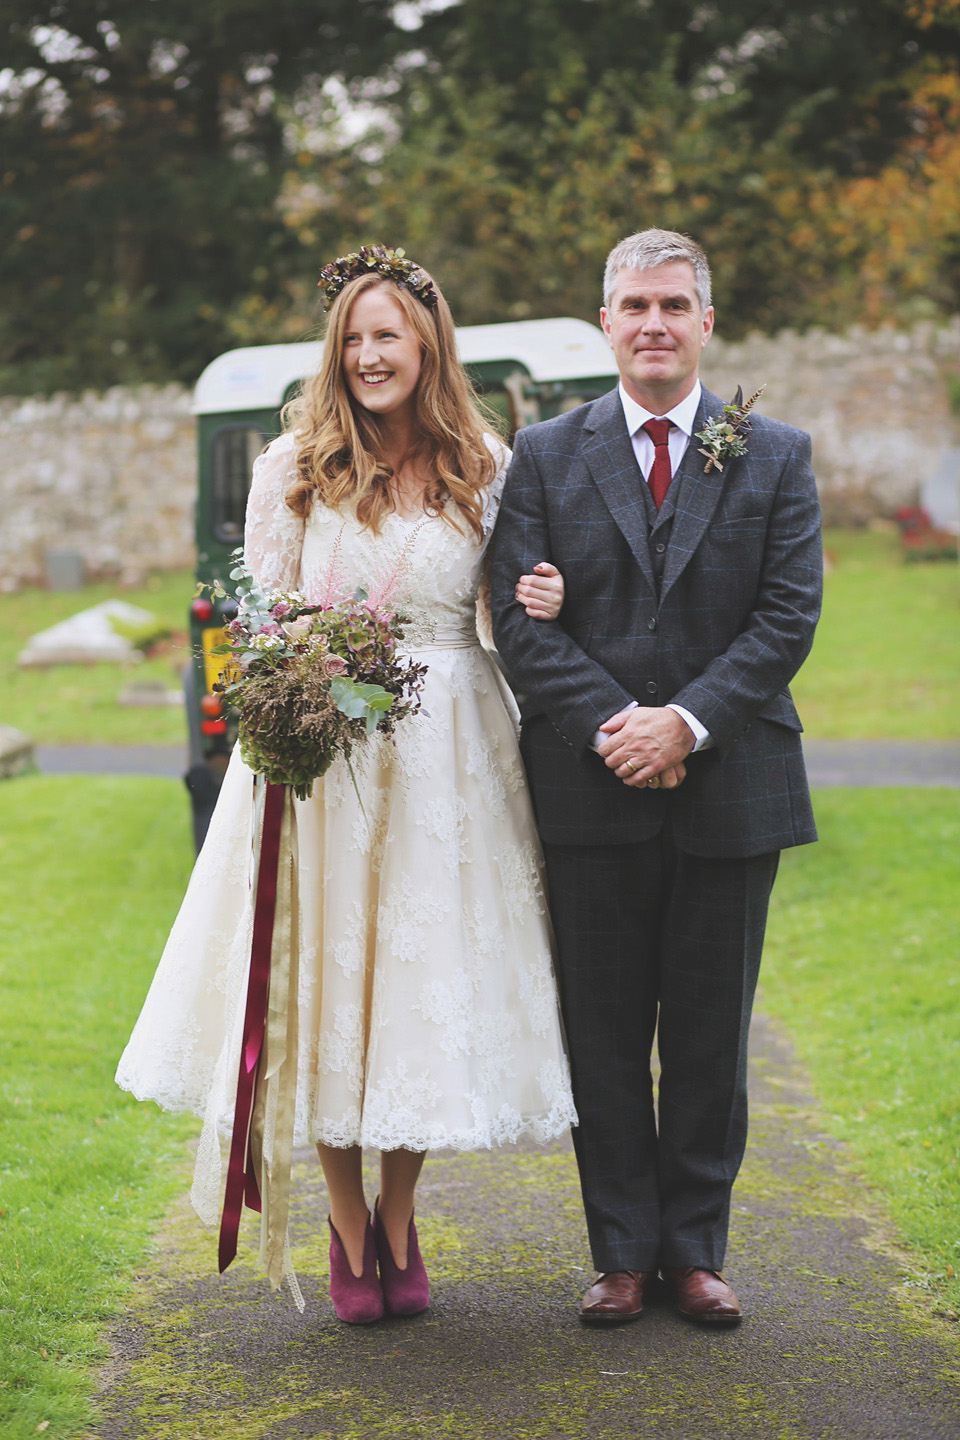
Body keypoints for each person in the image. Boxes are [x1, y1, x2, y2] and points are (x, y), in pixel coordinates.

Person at [116, 247, 577, 1323]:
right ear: (339, 352)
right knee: (323, 975)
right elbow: (261, 618)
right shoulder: (294, 466)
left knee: (415, 986)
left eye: (390, 337)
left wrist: (543, 595)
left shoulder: (483, 461)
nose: (372, 356)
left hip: (451, 749)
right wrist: (302, 685)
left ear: (427, 346)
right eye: (355, 339)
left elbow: (503, 613)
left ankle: (402, 1216)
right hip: (325, 754)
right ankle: (345, 1220)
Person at [488, 228, 822, 1327]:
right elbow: (518, 625)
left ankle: (697, 1254)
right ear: (605, 322)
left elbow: (786, 616)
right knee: (604, 1034)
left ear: (706, 323)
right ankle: (621, 1254)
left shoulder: (774, 452)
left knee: (714, 1038)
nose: (653, 324)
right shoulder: (542, 454)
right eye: (633, 305)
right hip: (590, 791)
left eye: (674, 305)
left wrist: (684, 723)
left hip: (732, 785)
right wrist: (615, 729)